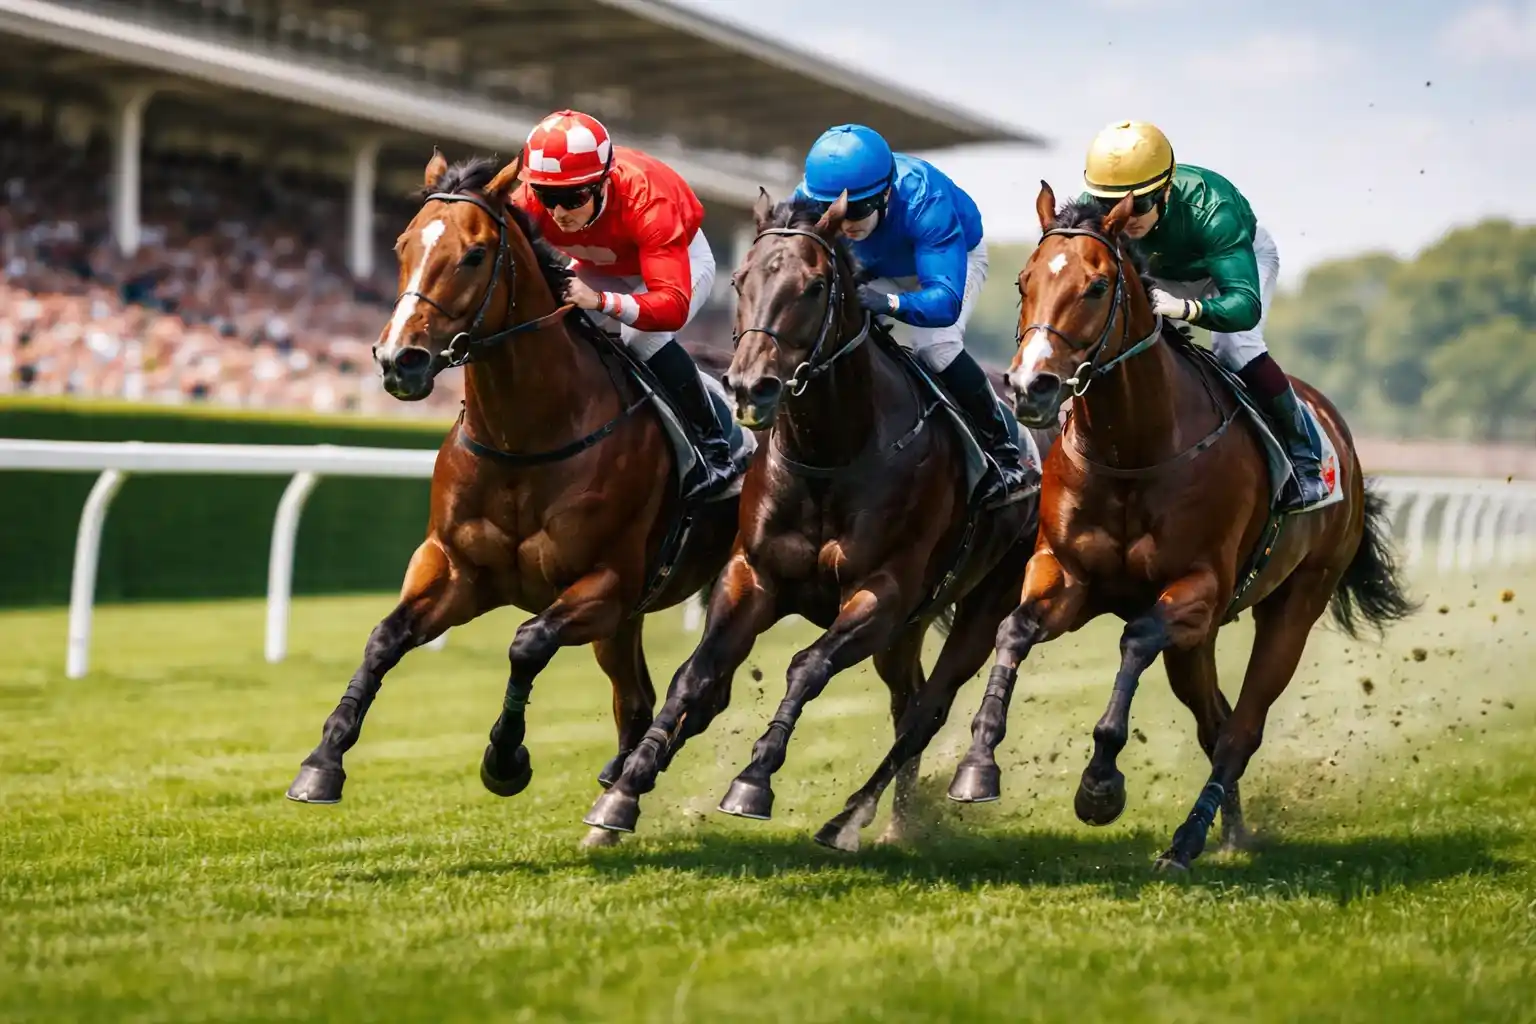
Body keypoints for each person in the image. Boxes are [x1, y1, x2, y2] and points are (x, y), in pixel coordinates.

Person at [1080, 120, 1330, 512]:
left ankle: (1305, 460)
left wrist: (1186, 309)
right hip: (1160, 271)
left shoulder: (1213, 209)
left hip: (1226, 269)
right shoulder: (1101, 212)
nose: (1125, 217)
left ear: (1165, 189)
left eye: (1139, 204)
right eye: (1109, 206)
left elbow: (1244, 307)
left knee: (1236, 347)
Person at [793, 123, 1031, 505]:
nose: (846, 222)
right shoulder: (806, 197)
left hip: (944, 268)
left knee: (936, 348)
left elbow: (943, 303)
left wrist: (889, 304)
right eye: (832, 210)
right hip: (874, 268)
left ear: (886, 193)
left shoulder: (924, 198)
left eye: (858, 209)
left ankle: (1004, 453)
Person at [511, 109, 738, 500]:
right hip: (601, 262)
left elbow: (670, 307)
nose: (559, 213)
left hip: (676, 263)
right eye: (548, 197)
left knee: (640, 339)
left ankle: (716, 444)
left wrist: (601, 301)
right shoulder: (527, 201)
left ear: (602, 183)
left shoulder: (649, 201)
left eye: (573, 197)